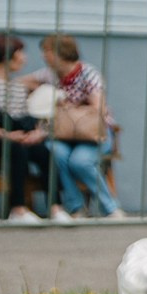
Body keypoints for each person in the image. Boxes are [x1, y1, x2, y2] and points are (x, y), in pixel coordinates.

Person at [0, 32, 50, 222]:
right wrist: (6, 135)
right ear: (7, 56)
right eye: (21, 53)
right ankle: (18, 209)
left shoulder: (16, 85)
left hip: (15, 136)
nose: (25, 58)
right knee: (16, 150)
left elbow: (23, 116)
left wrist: (36, 133)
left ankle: (55, 207)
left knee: (44, 152)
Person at [39, 34, 124, 220]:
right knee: (55, 152)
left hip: (94, 134)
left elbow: (98, 109)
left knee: (80, 161)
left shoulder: (88, 74)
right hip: (65, 136)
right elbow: (25, 81)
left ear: (58, 53)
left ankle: (110, 209)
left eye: (46, 51)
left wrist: (68, 106)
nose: (43, 56)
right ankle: (76, 207)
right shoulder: (48, 75)